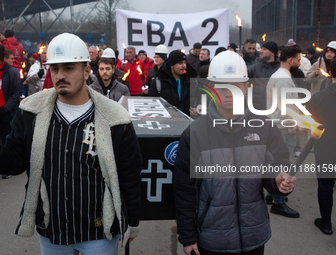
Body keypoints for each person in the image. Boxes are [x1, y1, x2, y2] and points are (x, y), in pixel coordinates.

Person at [0, 33, 142, 254]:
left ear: (87, 71)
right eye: (55, 69)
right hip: (52, 232)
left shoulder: (115, 118)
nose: (60, 75)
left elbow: (130, 174)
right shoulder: (31, 113)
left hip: (99, 233)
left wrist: (131, 222)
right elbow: (14, 162)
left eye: (68, 68)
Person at [173, 50, 296, 255]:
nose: (229, 93)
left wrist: (279, 180)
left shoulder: (264, 126)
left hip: (254, 237)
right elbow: (184, 190)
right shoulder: (195, 133)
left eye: (236, 85)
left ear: (246, 87)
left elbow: (280, 163)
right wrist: (187, 236)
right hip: (212, 239)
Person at [266, 45, 302, 218]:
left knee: (275, 161)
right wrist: (293, 126)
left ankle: (273, 194)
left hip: (278, 124)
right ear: (290, 60)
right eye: (298, 60)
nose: (300, 63)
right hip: (282, 126)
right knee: (282, 163)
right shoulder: (283, 78)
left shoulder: (279, 75)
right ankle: (278, 201)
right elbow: (285, 107)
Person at [306, 54, 336, 235]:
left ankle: (326, 222)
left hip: (326, 147)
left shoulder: (319, 97)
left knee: (326, 186)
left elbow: (308, 120)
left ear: (331, 72)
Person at [148, 49, 197, 116]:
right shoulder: (158, 81)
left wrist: (198, 111)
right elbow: (152, 104)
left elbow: (202, 100)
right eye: (180, 63)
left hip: (188, 122)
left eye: (185, 62)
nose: (184, 66)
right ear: (172, 65)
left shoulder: (192, 79)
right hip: (167, 122)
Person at [0, 45, 21, 179]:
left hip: (5, 112)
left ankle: (5, 167)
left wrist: (6, 108)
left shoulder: (12, 72)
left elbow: (16, 93)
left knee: (6, 139)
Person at [248, 41, 280, 110]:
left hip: (275, 110)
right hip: (257, 109)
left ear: (272, 53)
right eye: (261, 49)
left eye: (264, 49)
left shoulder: (281, 69)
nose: (260, 51)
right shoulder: (255, 68)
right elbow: (244, 77)